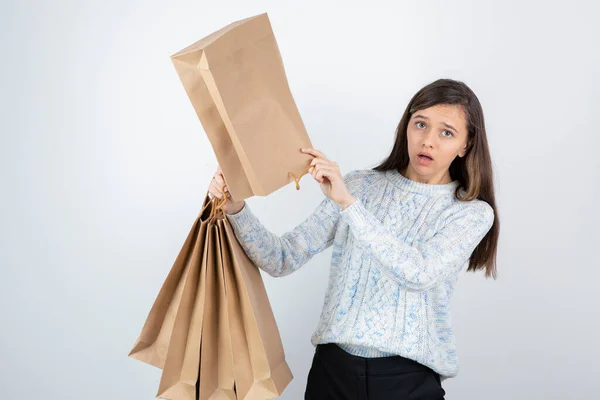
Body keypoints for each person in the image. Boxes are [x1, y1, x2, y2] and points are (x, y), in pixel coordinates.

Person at [207, 78, 499, 400]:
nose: (428, 141)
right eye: (420, 124)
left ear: (466, 145)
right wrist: (235, 208)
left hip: (407, 381)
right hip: (333, 373)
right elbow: (282, 258)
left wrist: (349, 205)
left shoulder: (470, 213)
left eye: (446, 132)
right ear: (407, 127)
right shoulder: (359, 185)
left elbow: (418, 273)